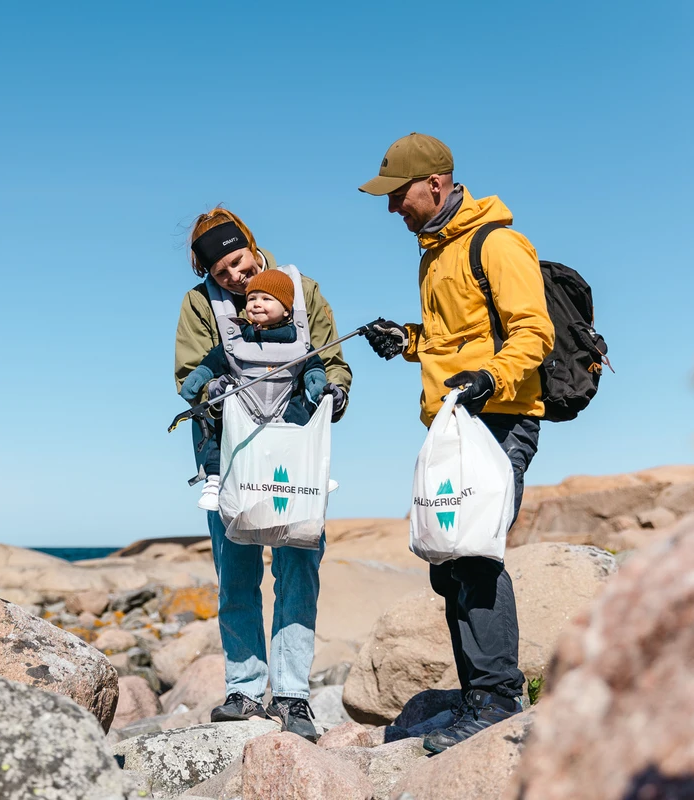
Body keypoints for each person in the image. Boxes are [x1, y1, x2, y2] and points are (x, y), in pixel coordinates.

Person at [358, 133, 554, 753]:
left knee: (473, 556)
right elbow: (455, 337)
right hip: (456, 422)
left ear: (435, 184)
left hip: (501, 417)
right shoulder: (434, 254)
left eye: (399, 195)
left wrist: (491, 377)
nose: (393, 207)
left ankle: (497, 701)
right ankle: (477, 699)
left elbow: (534, 331)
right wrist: (407, 340)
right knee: (448, 563)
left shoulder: (496, 243)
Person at [173, 207, 352, 741]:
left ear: (251, 245)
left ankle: (293, 695)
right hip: (230, 457)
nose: (235, 276)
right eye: (221, 271)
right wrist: (207, 388)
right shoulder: (199, 304)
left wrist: (336, 391)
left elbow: (334, 361)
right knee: (237, 575)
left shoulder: (304, 290)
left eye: (239, 261)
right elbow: (187, 373)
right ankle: (244, 690)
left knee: (298, 569)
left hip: (294, 456)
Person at [178, 268, 335, 511]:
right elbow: (214, 361)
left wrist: (318, 385)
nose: (256, 304)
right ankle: (214, 482)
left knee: (302, 429)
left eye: (266, 298)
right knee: (222, 433)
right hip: (245, 406)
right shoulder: (238, 338)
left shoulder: (299, 342)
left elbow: (313, 365)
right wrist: (199, 378)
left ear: (286, 309)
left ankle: (312, 476)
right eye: (251, 298)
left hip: (285, 404)